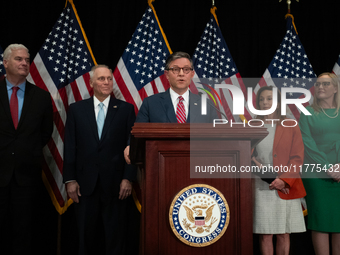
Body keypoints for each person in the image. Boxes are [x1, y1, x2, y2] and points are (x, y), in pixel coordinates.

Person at [63, 65, 137, 255]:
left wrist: (128, 178)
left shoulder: (126, 109)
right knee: (85, 239)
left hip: (116, 185)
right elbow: (70, 146)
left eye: (109, 79)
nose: (106, 82)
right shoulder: (76, 109)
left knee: (115, 239)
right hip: (84, 185)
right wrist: (69, 179)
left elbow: (132, 147)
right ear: (91, 83)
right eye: (101, 79)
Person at [0, 44, 53, 254]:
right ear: (5, 63)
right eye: (19, 59)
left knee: (24, 230)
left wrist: (25, 152)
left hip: (26, 175)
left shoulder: (41, 97)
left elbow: (45, 133)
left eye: (27, 60)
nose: (24, 63)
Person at [251, 86, 306, 255]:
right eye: (261, 99)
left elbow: (297, 158)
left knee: (283, 233)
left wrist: (283, 180)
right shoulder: (253, 125)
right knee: (266, 234)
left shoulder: (290, 124)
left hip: (285, 185)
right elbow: (247, 154)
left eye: (269, 98)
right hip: (262, 186)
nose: (265, 102)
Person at [299, 72, 340, 255]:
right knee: (320, 220)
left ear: (336, 88)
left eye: (326, 84)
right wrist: (328, 167)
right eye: (318, 84)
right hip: (316, 173)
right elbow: (307, 143)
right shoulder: (307, 111)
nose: (320, 87)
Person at [135, 51, 218, 123]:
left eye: (186, 69)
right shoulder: (150, 103)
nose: (181, 74)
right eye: (175, 69)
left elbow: (216, 136)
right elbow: (138, 137)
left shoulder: (207, 105)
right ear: (167, 74)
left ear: (192, 74)